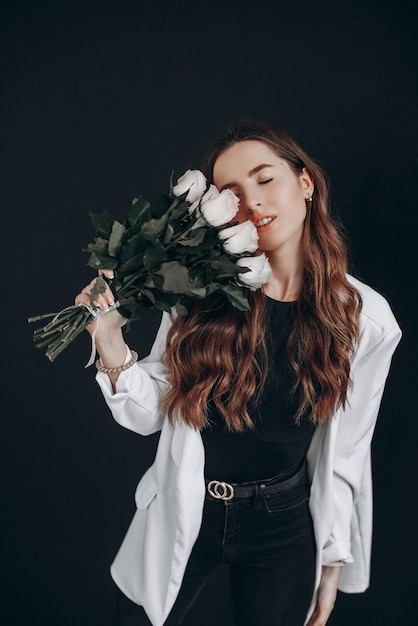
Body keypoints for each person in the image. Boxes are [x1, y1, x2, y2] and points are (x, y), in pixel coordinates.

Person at [75, 120, 401, 626]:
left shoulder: (367, 320)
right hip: (189, 506)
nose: (253, 204)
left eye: (265, 179)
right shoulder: (197, 293)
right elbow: (150, 414)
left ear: (306, 183)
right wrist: (110, 340)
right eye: (232, 194)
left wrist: (333, 562)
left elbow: (349, 454)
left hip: (285, 523)